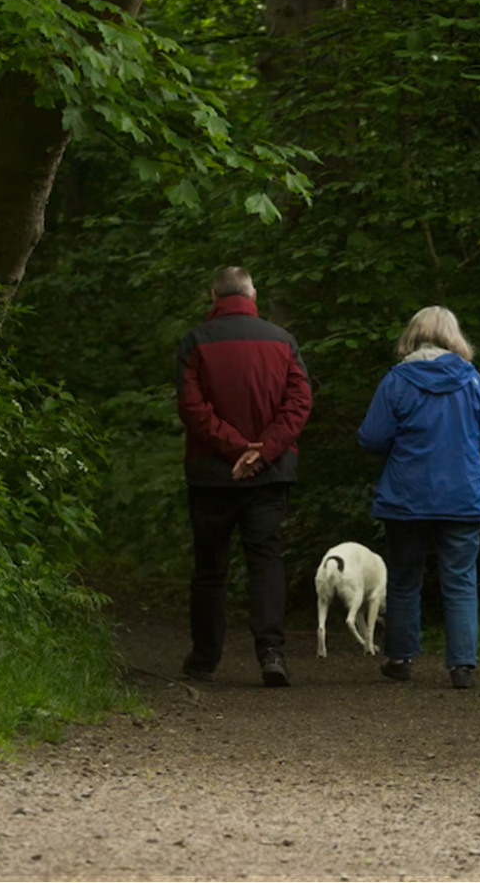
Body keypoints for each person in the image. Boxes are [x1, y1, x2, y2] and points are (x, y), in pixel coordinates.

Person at [177, 266, 312, 687]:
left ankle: (204, 659)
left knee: (210, 568)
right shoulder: (283, 340)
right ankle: (271, 653)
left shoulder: (196, 341)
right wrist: (262, 451)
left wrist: (238, 449)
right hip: (269, 474)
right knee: (266, 561)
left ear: (214, 294)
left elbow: (191, 407)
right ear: (252, 293)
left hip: (212, 473)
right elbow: (300, 401)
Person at [358, 306, 480, 689]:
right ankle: (462, 667)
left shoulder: (397, 381)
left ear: (414, 336)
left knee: (404, 578)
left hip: (408, 495)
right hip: (463, 494)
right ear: (454, 337)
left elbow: (371, 436)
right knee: (460, 579)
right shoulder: (471, 381)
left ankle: (401, 658)